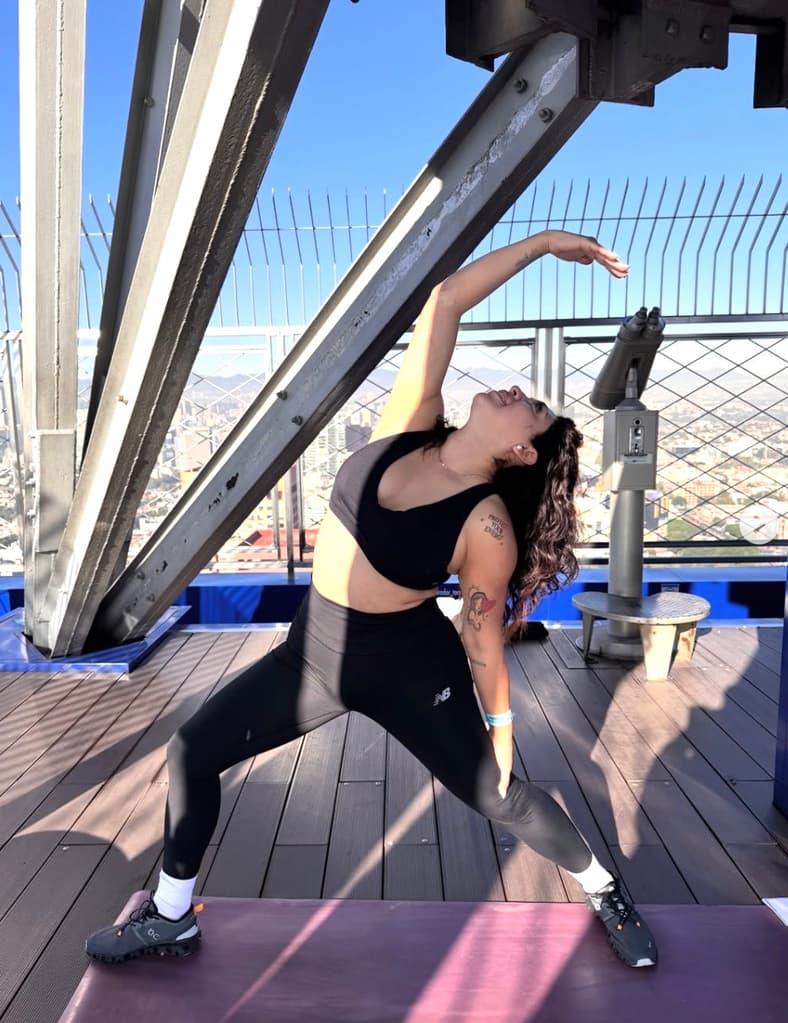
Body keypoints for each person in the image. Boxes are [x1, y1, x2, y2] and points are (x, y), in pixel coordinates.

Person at [86, 229, 657, 969]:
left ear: (523, 452)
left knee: (499, 795)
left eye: (535, 409)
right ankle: (170, 915)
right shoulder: (410, 423)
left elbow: (481, 636)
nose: (519, 392)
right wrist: (544, 246)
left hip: (408, 666)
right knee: (193, 749)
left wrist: (503, 724)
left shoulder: (486, 524)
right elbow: (444, 299)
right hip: (312, 652)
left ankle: (604, 886)